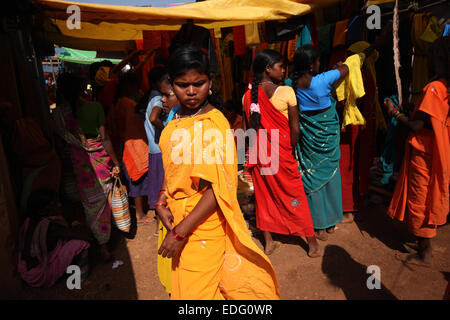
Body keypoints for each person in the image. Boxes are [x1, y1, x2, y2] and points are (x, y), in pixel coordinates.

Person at [155, 44, 279, 300]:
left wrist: (180, 233)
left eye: (198, 83)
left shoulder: (212, 125)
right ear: (171, 85)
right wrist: (162, 198)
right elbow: (174, 164)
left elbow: (218, 188)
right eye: (182, 85)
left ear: (210, 81)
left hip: (198, 224)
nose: (191, 91)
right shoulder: (177, 116)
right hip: (177, 218)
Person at [242, 49, 320, 257]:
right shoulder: (286, 91)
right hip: (280, 153)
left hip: (259, 154)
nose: (284, 70)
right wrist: (289, 149)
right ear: (268, 69)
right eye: (280, 66)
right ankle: (311, 242)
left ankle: (268, 241)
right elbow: (296, 128)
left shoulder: (247, 96)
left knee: (264, 196)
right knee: (295, 194)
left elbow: (248, 130)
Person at [384, 36, 449, 267]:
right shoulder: (445, 87)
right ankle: (424, 243)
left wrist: (394, 112)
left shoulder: (434, 88)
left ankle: (424, 252)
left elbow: (417, 126)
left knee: (420, 196)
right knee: (431, 192)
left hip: (425, 150)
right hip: (440, 148)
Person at [52, 73, 121, 262]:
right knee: (104, 201)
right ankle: (106, 239)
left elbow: (60, 145)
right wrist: (115, 162)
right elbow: (105, 139)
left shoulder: (58, 115)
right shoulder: (95, 107)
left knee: (90, 204)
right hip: (99, 160)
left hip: (78, 165)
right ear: (82, 87)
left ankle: (100, 245)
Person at [292, 44, 349, 241]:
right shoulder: (323, 79)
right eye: (317, 61)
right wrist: (338, 66)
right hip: (328, 136)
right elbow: (346, 69)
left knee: (311, 175)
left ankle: (318, 226)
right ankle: (331, 223)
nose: (319, 64)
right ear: (311, 64)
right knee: (331, 175)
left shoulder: (293, 83)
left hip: (308, 137)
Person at [18, 189, 92, 287]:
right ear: (42, 211)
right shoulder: (50, 226)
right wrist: (78, 225)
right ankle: (78, 280)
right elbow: (87, 237)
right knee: (81, 244)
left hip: (26, 272)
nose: (60, 205)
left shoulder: (29, 222)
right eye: (55, 203)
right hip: (40, 275)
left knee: (65, 241)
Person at [114, 72, 150, 223]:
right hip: (136, 145)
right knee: (138, 179)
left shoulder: (117, 104)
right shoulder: (129, 105)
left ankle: (140, 212)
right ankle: (141, 213)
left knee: (133, 179)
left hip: (125, 145)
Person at [144, 67, 171, 230]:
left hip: (154, 148)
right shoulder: (157, 99)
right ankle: (160, 224)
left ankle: (158, 222)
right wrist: (165, 128)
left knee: (157, 184)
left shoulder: (151, 97)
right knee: (162, 185)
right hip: (160, 147)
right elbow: (154, 118)